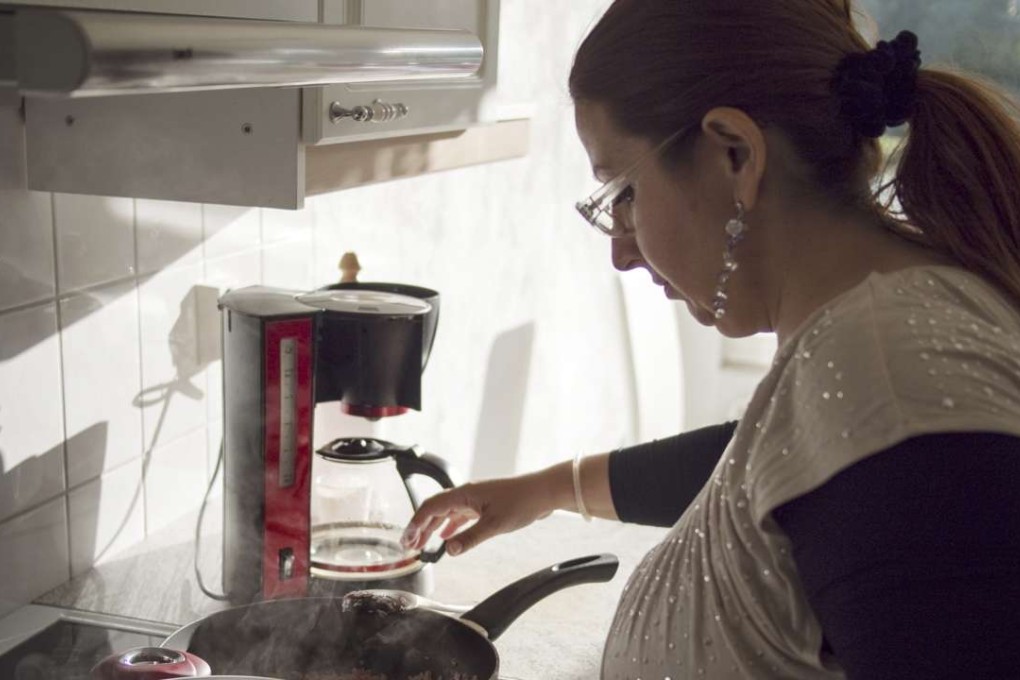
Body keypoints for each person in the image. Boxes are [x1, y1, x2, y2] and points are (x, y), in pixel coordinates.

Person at [401, 1, 1020, 678]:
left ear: (736, 153)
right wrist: (546, 489)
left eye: (624, 191)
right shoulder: (880, 353)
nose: (622, 252)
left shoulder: (889, 374)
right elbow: (787, 468)